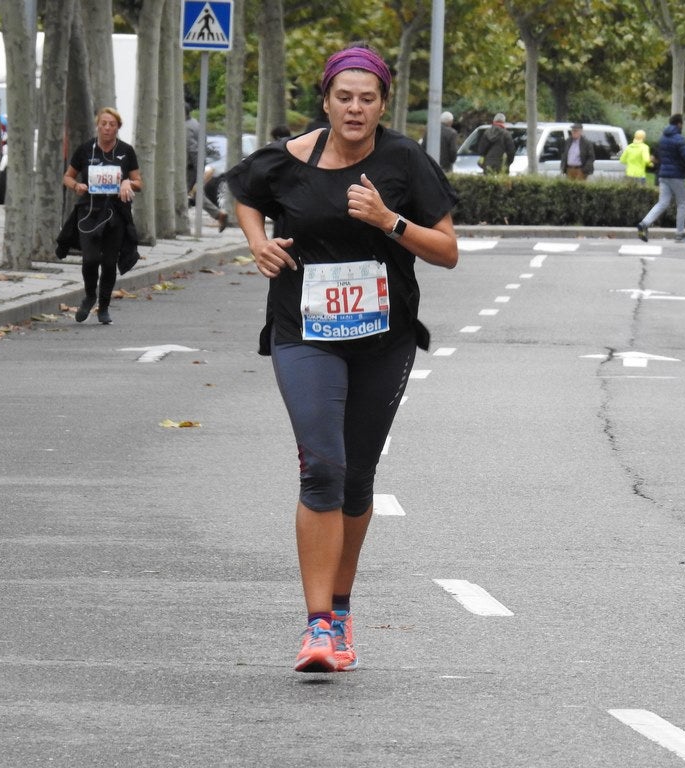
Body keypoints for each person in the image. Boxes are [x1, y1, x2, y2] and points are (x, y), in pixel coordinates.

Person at [226, 44, 458, 674]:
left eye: (368, 98)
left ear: (383, 105)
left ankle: (342, 608)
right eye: (344, 97)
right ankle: (318, 627)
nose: (356, 108)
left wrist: (390, 221)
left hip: (384, 338)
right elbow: (242, 191)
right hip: (304, 330)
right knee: (322, 467)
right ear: (325, 100)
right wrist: (257, 243)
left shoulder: (405, 161)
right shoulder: (289, 160)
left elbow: (447, 251)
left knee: (356, 479)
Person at [61, 107, 143, 325]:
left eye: (112, 124)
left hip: (115, 212)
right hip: (89, 210)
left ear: (118, 128)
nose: (107, 128)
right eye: (104, 123)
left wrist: (127, 182)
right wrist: (76, 185)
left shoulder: (126, 151)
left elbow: (139, 182)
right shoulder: (86, 149)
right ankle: (89, 295)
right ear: (98, 125)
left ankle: (104, 307)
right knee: (90, 259)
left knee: (108, 262)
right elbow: (67, 177)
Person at [637, 113, 685, 244]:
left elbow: (657, 157)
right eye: (682, 124)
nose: (682, 126)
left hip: (663, 175)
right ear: (679, 124)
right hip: (676, 176)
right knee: (682, 204)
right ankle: (679, 235)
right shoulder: (679, 139)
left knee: (662, 203)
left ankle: (644, 224)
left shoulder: (663, 138)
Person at [185, 103, 228, 231]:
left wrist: (198, 170)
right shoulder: (195, 123)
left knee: (181, 193)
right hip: (196, 165)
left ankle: (179, 221)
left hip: (189, 167)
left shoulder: (187, 127)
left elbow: (192, 149)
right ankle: (218, 214)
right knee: (197, 194)